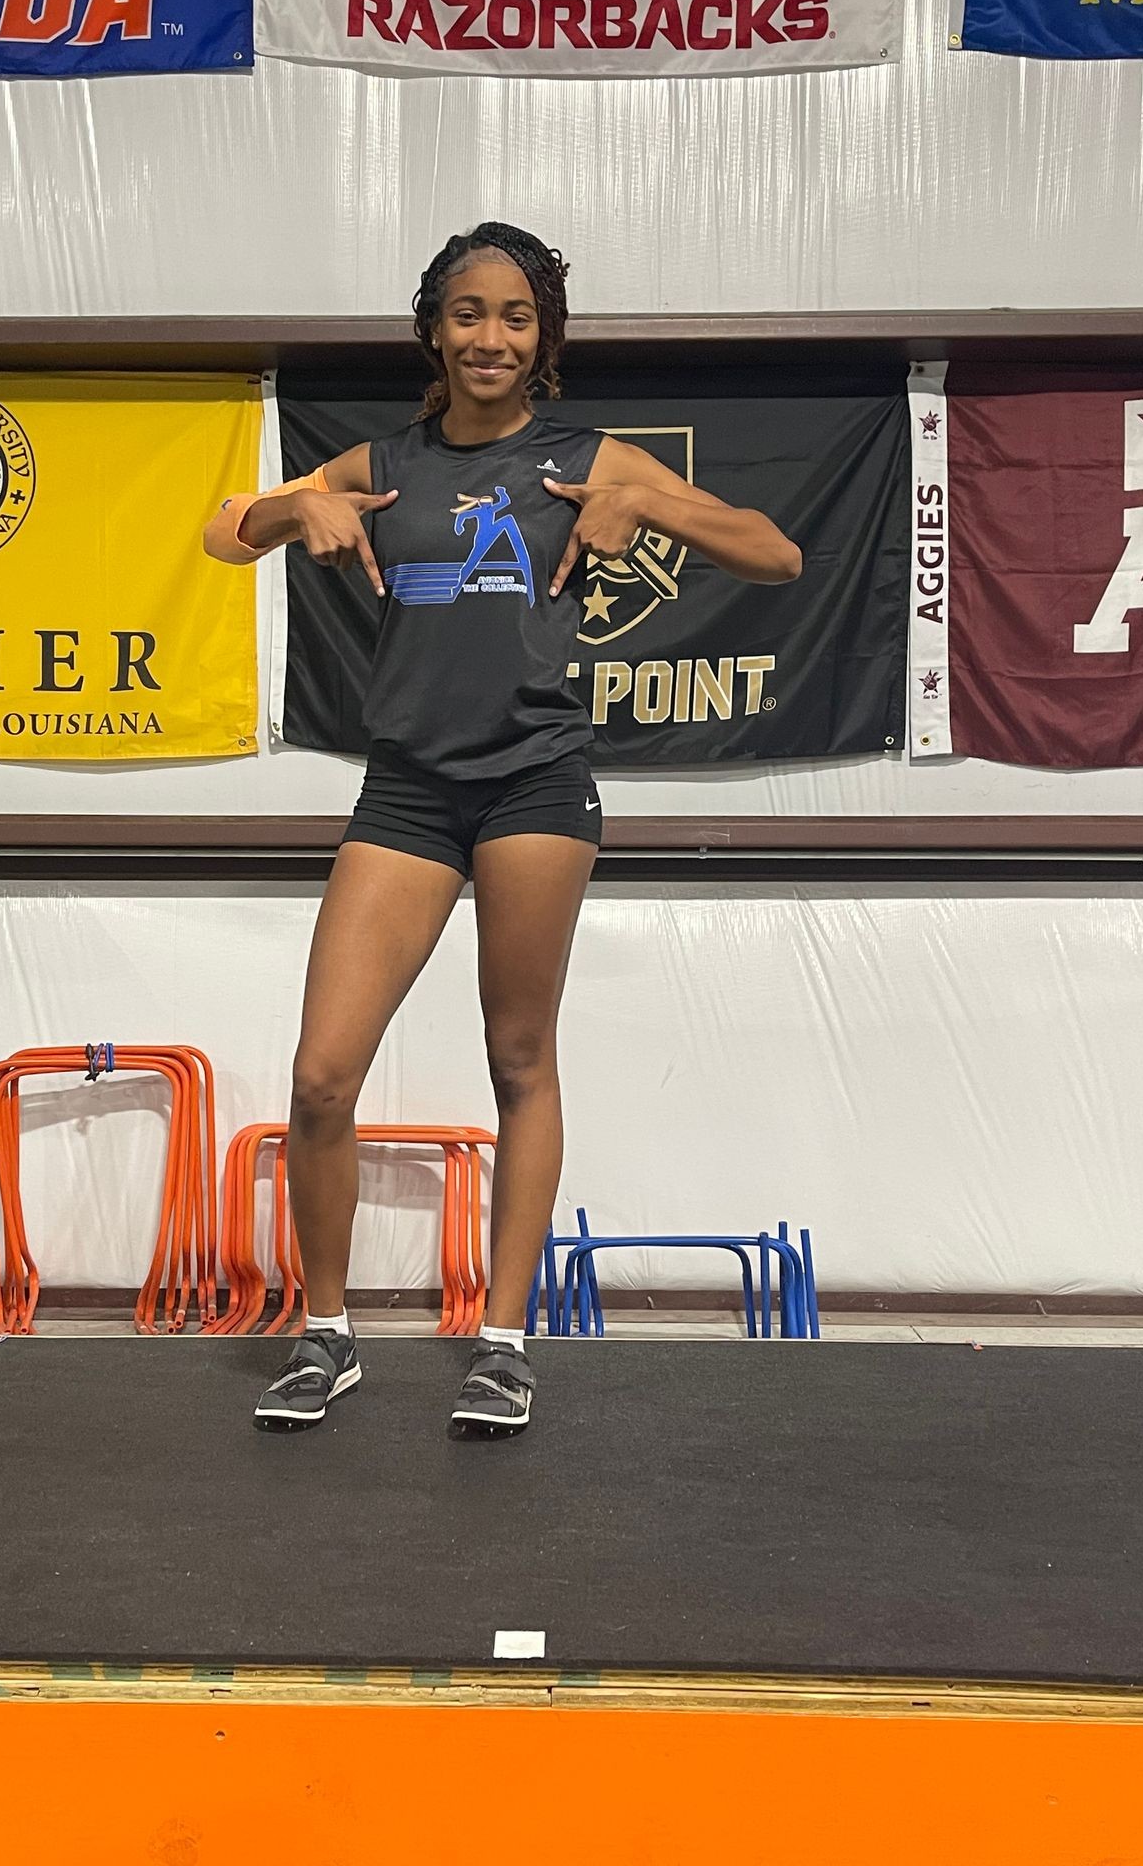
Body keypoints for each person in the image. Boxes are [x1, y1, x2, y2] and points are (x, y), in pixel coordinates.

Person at [204, 220, 802, 1438]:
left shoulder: (588, 454)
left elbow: (778, 554)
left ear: (545, 341)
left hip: (535, 781)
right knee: (322, 1077)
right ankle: (327, 1333)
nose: (491, 337)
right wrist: (287, 515)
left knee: (518, 1059)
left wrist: (643, 505)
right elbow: (221, 535)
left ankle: (503, 1342)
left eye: (517, 318)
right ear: (433, 327)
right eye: (469, 314)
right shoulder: (385, 460)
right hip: (408, 789)